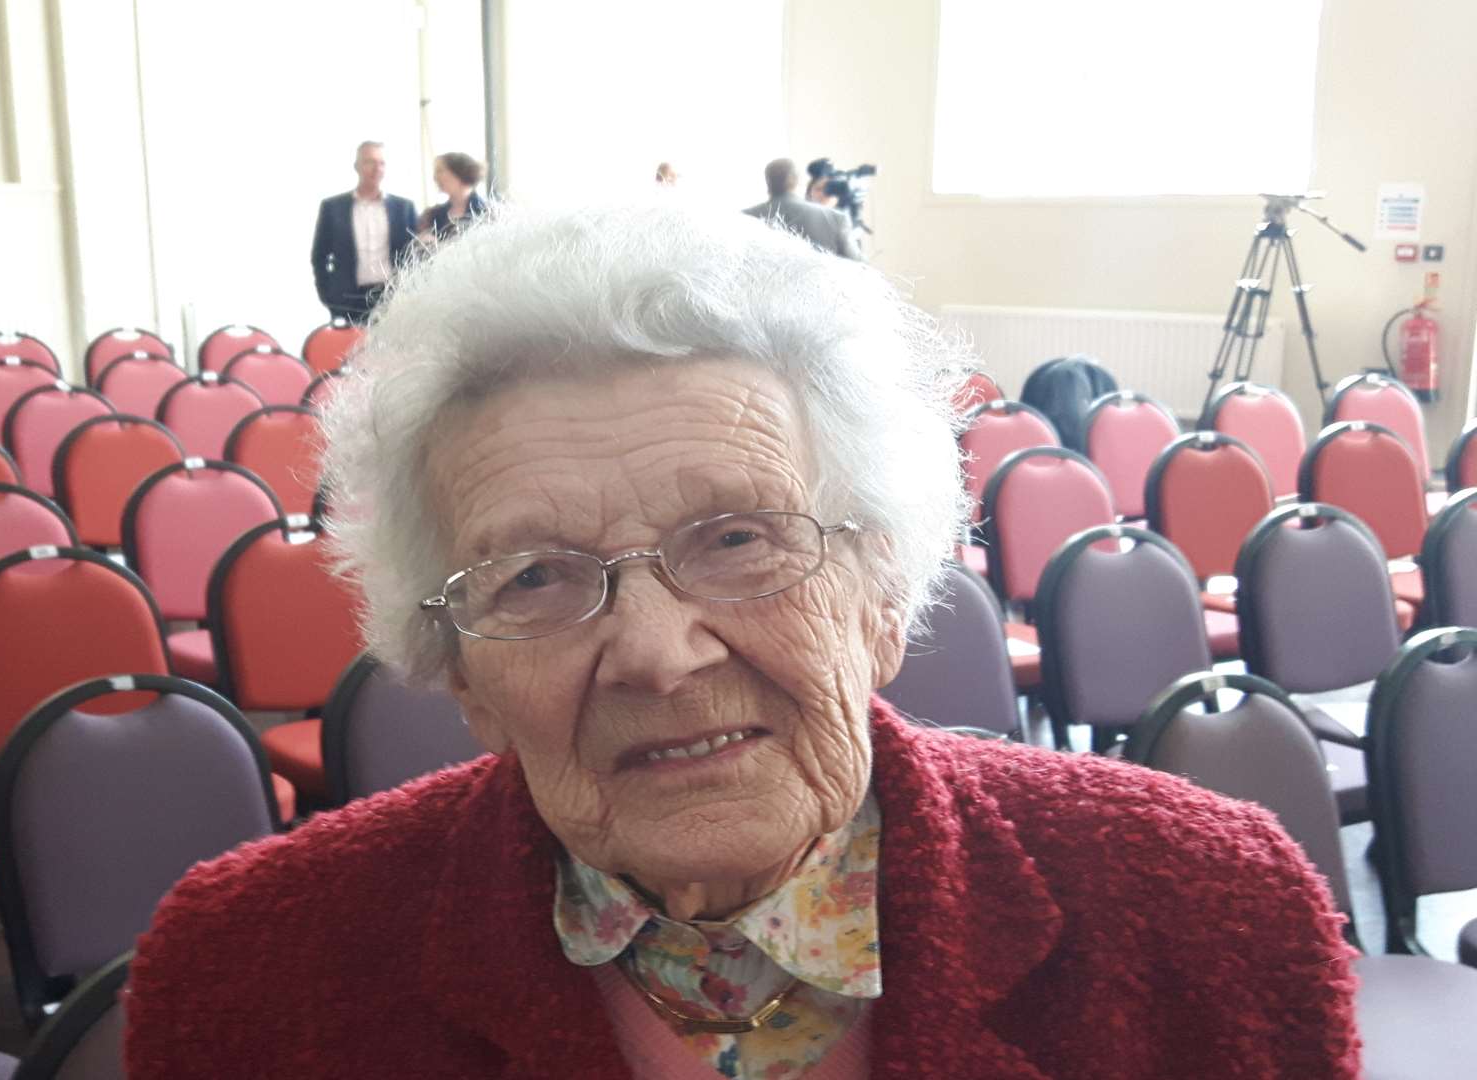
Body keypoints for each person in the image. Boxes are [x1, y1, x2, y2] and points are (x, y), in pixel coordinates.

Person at [128, 204, 1358, 1078]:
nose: (660, 654)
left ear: (882, 588)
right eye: (539, 576)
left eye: (736, 540)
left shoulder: (1207, 920)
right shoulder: (254, 974)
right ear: (462, 672)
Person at [311, 140, 417, 323]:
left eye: (382, 163)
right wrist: (328, 296)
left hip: (393, 295)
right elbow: (319, 255)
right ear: (356, 166)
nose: (377, 169)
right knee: (352, 350)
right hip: (348, 299)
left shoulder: (404, 208)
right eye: (369, 162)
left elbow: (414, 253)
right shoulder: (333, 207)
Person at [746, 157, 859, 259]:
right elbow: (860, 268)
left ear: (768, 182)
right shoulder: (836, 219)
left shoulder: (743, 220)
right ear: (797, 181)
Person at [419, 152, 488, 242]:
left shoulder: (487, 212)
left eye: (440, 171)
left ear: (459, 172)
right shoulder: (431, 214)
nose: (435, 177)